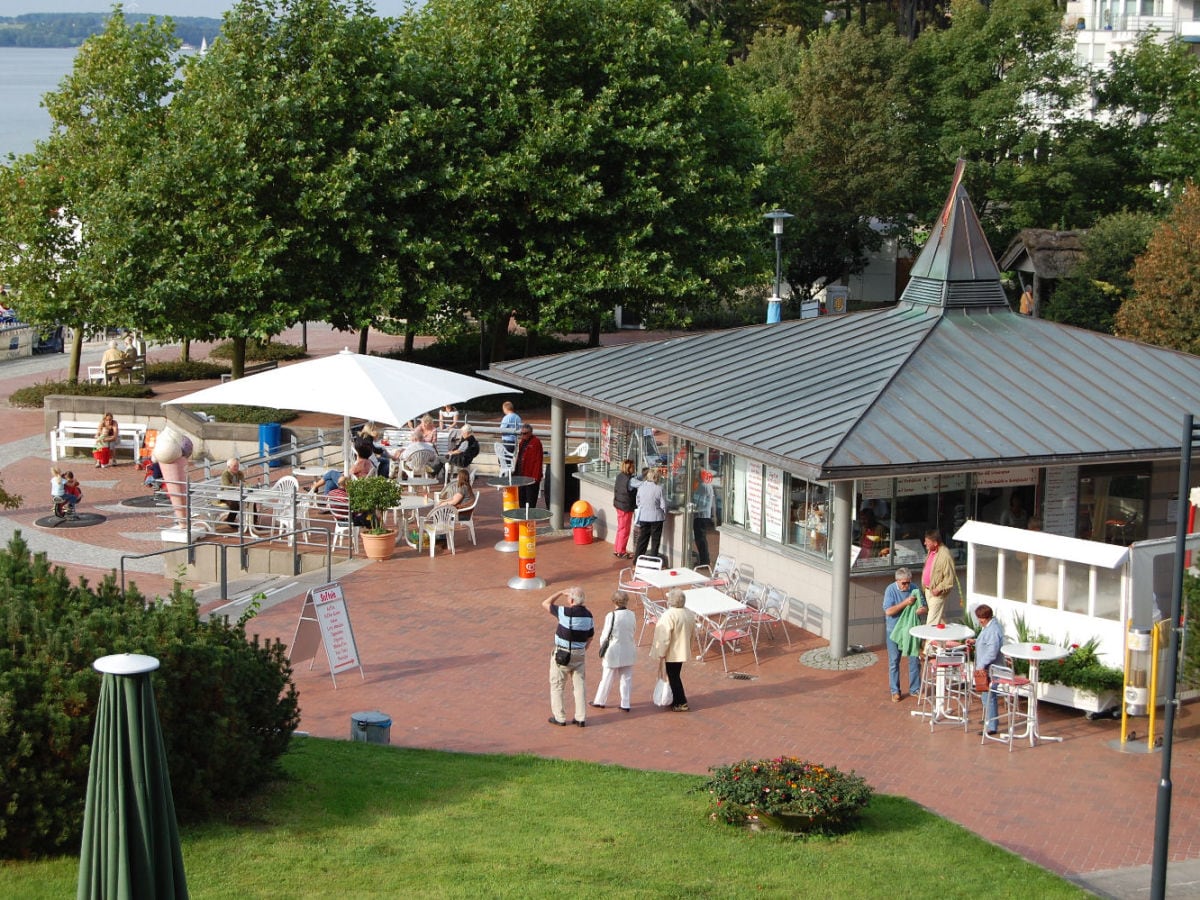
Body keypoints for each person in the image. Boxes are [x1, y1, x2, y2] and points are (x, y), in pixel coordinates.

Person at [543, 586, 594, 727]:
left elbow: (546, 603)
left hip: (562, 654)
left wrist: (559, 592)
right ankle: (581, 717)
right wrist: (583, 649)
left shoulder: (564, 612)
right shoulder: (588, 615)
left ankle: (559, 717)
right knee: (580, 686)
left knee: (557, 685)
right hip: (579, 655)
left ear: (571, 600)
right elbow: (590, 636)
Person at [883, 567, 926, 702]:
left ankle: (915, 689)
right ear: (897, 581)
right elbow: (889, 611)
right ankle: (895, 691)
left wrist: (920, 610)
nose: (907, 586)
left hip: (911, 631)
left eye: (908, 582)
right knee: (894, 661)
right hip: (894, 631)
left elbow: (924, 606)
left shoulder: (914, 589)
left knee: (914, 660)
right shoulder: (890, 590)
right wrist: (905, 603)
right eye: (904, 583)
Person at [590, 591, 637, 712]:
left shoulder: (611, 615)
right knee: (626, 677)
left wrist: (602, 646)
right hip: (628, 648)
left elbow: (605, 634)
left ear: (614, 602)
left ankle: (600, 701)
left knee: (607, 677)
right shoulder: (632, 614)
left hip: (613, 649)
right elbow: (633, 629)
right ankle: (625, 703)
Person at [651, 588, 696, 712]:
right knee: (675, 675)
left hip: (672, 652)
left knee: (673, 676)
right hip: (681, 650)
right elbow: (693, 633)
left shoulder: (669, 615)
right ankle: (676, 699)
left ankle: (681, 701)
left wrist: (661, 653)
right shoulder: (688, 613)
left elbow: (664, 637)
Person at [974, 604, 1005, 735]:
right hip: (987, 669)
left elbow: (992, 652)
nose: (978, 621)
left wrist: (980, 666)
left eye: (979, 618)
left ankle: (992, 726)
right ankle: (990, 719)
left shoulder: (993, 630)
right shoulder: (989, 627)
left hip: (991, 670)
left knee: (989, 696)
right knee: (986, 695)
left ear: (984, 618)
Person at [921, 529, 956, 625]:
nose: (925, 543)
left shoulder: (945, 555)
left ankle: (929, 640)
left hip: (937, 593)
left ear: (935, 543)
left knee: (931, 622)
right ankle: (944, 638)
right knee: (939, 619)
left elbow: (950, 578)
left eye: (927, 541)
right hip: (928, 590)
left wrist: (938, 589)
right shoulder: (931, 551)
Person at [633, 468, 666, 561]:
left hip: (644, 516)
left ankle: (637, 560)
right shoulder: (659, 488)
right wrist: (664, 514)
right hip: (656, 517)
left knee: (642, 539)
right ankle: (653, 560)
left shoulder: (641, 487)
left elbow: (638, 501)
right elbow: (663, 505)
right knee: (655, 540)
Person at [611, 459, 637, 559]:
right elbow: (637, 485)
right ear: (630, 468)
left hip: (619, 505)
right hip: (626, 507)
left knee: (620, 528)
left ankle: (617, 549)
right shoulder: (630, 481)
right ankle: (621, 551)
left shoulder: (620, 476)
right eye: (633, 467)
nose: (634, 469)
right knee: (625, 530)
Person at [514, 423, 544, 508]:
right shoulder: (522, 442)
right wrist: (515, 473)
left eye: (525, 433)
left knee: (530, 501)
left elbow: (538, 461)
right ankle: (523, 518)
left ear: (530, 433)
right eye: (521, 433)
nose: (523, 435)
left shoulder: (536, 442)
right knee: (521, 499)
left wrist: (536, 478)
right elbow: (519, 458)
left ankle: (530, 519)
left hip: (531, 477)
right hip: (521, 476)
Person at [692, 470, 715, 567]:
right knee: (702, 538)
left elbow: (697, 500)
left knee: (700, 539)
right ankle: (705, 559)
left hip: (700, 515)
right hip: (705, 514)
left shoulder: (702, 486)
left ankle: (704, 561)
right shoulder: (708, 486)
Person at [219, 457, 245, 524]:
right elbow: (227, 487)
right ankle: (230, 520)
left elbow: (243, 483)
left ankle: (253, 522)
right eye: (234, 466)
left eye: (238, 466)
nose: (237, 468)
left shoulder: (240, 473)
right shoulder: (225, 474)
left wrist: (239, 485)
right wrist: (237, 485)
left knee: (251, 502)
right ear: (229, 467)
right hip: (226, 495)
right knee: (235, 504)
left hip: (237, 494)